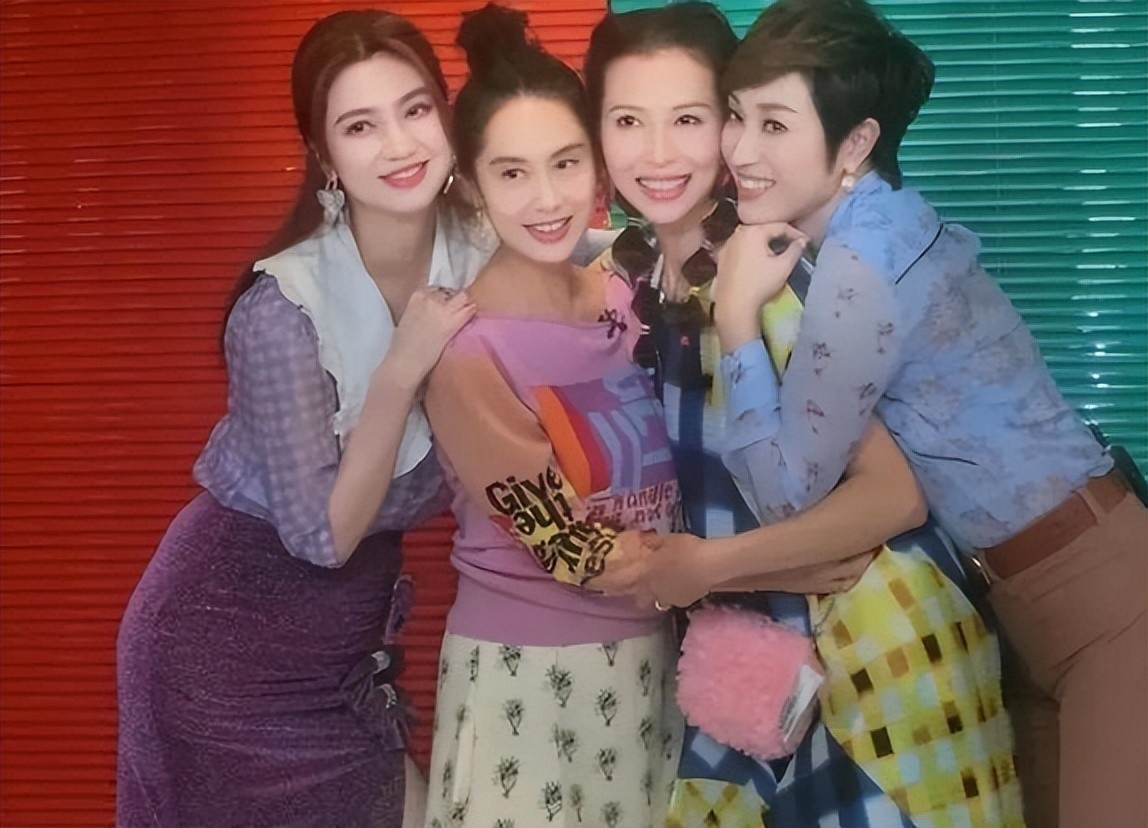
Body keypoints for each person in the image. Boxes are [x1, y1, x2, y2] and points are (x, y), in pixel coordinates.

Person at [585, 4, 1023, 826]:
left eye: (689, 119)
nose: (657, 153)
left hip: (879, 656)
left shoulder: (774, 276)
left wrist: (714, 567)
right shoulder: (634, 280)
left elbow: (893, 496)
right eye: (627, 120)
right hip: (761, 668)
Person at [715, 1, 1148, 826]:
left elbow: (784, 494)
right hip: (1035, 598)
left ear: (854, 144)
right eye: (736, 115)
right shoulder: (882, 223)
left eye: (773, 123)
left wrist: (734, 317)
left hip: (1104, 603)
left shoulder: (863, 264)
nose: (738, 149)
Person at [115, 10, 495, 827]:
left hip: (343, 657)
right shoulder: (283, 312)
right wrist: (401, 369)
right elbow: (323, 538)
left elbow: (589, 268)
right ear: (325, 157)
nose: (399, 145)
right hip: (222, 654)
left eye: (416, 109)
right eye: (361, 126)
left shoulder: (482, 249)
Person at [420, 6, 683, 827]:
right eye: (512, 173)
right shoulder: (470, 352)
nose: (546, 198)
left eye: (566, 163)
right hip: (526, 678)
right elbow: (569, 548)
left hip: (653, 663)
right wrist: (753, 567)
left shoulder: (622, 293)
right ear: (470, 185)